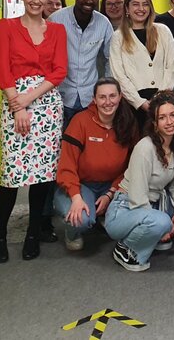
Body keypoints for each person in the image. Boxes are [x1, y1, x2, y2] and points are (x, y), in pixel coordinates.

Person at [0, 0, 68, 263]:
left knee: (43, 175)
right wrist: (18, 106)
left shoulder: (58, 30)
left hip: (47, 104)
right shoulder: (6, 27)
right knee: (12, 174)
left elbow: (59, 71)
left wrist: (30, 98)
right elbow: (2, 70)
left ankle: (32, 233)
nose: (36, 1)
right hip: (15, 102)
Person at [104, 91, 174, 272]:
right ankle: (124, 249)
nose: (169, 122)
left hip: (152, 204)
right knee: (163, 223)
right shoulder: (145, 147)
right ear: (155, 123)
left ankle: (148, 236)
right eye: (162, 118)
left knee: (172, 218)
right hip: (125, 208)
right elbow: (137, 197)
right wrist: (161, 227)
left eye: (173, 115)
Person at [54, 78, 138, 251]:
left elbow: (132, 167)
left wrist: (110, 193)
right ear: (94, 99)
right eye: (102, 97)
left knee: (135, 216)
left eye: (112, 96)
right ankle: (73, 232)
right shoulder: (80, 121)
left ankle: (103, 213)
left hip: (114, 185)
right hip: (81, 184)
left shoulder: (128, 123)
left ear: (120, 97)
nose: (108, 102)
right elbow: (66, 165)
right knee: (82, 220)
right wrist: (76, 197)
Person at [49, 0, 113, 129]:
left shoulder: (103, 23)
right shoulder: (55, 20)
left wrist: (106, 90)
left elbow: (110, 58)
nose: (89, 1)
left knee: (88, 147)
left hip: (90, 98)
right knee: (61, 147)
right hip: (60, 97)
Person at [109, 0, 174, 128]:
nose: (141, 9)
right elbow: (119, 75)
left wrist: (161, 99)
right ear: (127, 8)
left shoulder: (163, 31)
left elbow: (172, 66)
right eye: (135, 4)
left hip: (163, 102)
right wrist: (139, 102)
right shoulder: (118, 37)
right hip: (134, 105)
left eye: (145, 4)